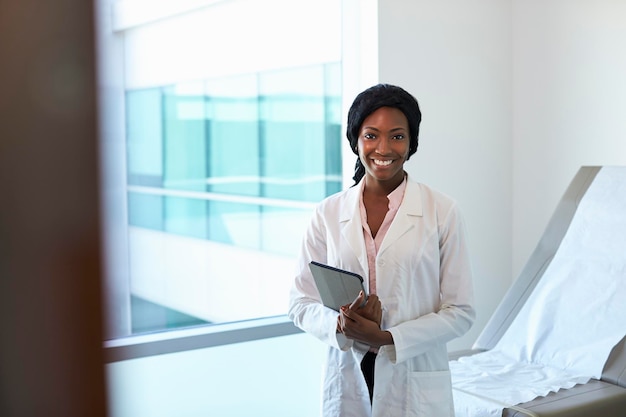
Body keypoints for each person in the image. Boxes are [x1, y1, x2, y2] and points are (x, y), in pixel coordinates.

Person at [288, 83, 475, 417]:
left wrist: (389, 336)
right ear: (356, 140)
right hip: (347, 373)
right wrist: (343, 327)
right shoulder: (328, 213)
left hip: (413, 379)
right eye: (371, 135)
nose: (384, 148)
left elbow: (460, 312)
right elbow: (301, 303)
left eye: (397, 136)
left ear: (411, 142)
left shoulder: (442, 210)